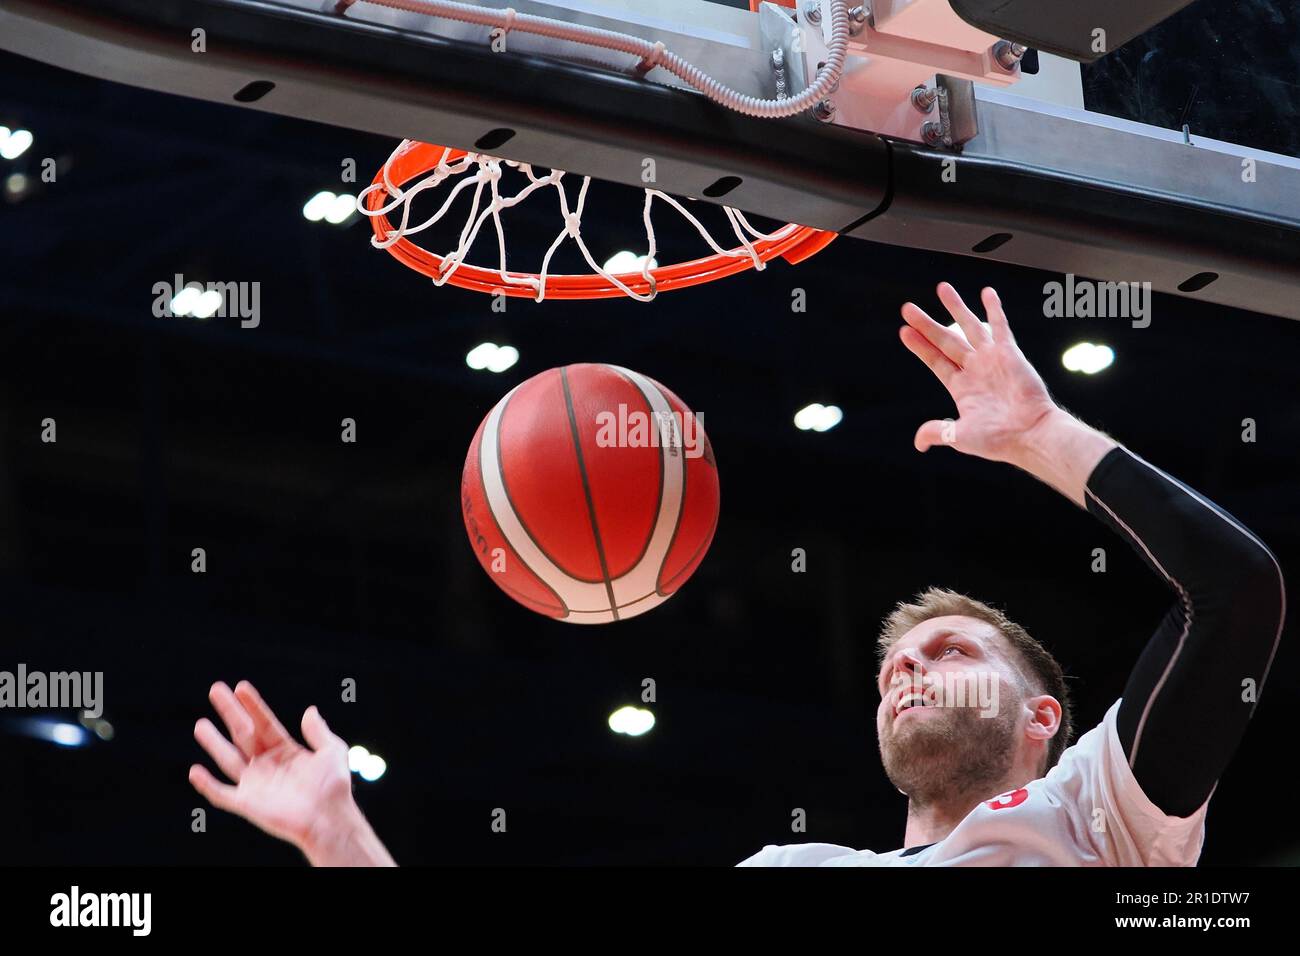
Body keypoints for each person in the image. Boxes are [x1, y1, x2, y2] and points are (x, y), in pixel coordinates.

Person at [188, 283, 1285, 866]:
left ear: (1042, 712)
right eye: (893, 661)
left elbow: (1235, 596)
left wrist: (1042, 431)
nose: (907, 670)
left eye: (948, 650)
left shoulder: (1098, 810)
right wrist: (337, 834)